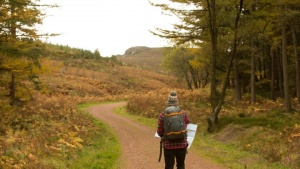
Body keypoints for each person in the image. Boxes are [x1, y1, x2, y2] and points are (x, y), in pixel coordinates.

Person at [157, 91, 190, 169]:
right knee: (181, 165)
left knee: (169, 166)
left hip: (168, 146)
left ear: (168, 102)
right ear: (177, 102)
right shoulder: (183, 113)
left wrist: (165, 135)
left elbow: (159, 132)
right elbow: (187, 125)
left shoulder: (162, 115)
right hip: (181, 145)